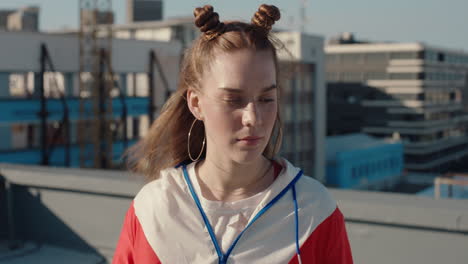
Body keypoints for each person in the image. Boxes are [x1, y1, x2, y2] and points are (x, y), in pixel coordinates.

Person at [112, 4, 353, 264]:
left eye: (266, 98)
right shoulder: (152, 210)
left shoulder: (314, 213)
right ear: (196, 103)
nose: (253, 118)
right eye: (233, 100)